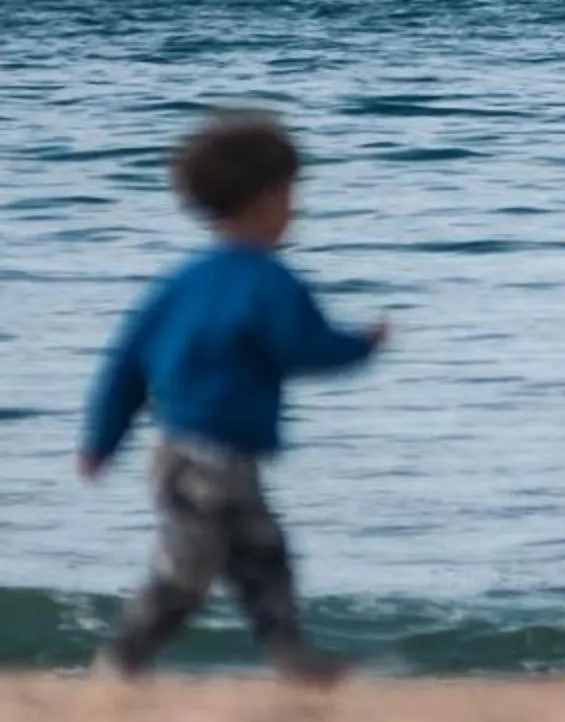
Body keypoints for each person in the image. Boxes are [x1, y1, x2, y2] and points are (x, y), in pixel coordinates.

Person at [80, 111, 390, 681]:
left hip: (191, 454)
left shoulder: (180, 283)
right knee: (186, 573)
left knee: (263, 557)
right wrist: (361, 346)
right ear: (266, 197)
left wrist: (100, 441)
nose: (296, 207)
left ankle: (292, 661)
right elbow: (305, 345)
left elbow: (124, 366)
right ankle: (122, 661)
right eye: (291, 192)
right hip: (209, 459)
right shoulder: (267, 281)